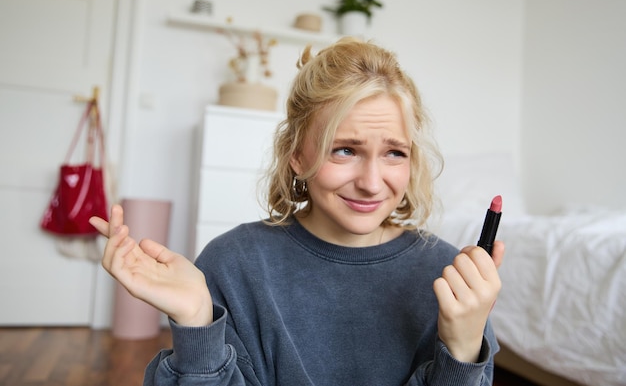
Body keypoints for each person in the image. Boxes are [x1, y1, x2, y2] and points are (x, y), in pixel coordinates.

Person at [90, 37, 504, 386]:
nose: (373, 182)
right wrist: (198, 324)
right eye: (345, 150)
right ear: (295, 154)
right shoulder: (233, 264)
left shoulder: (451, 279)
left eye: (395, 153)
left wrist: (463, 350)